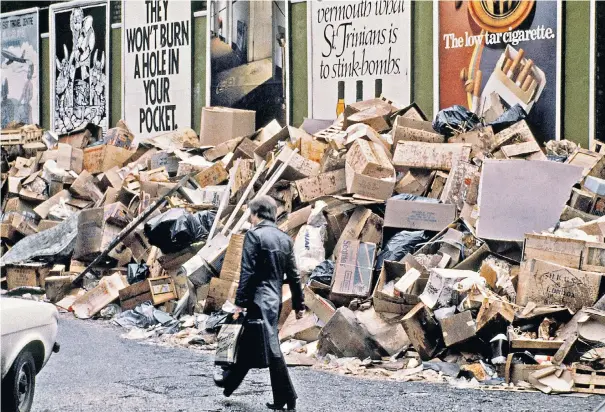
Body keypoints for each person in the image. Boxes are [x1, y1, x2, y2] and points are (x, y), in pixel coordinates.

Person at [214, 195, 304, 411]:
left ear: (255, 214)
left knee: (263, 345)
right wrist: (299, 304)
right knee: (251, 341)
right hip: (274, 300)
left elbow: (247, 272)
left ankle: (288, 397)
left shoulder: (254, 236)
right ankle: (228, 382)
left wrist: (240, 302)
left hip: (257, 299)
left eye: (251, 214)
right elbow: (294, 276)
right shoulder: (284, 239)